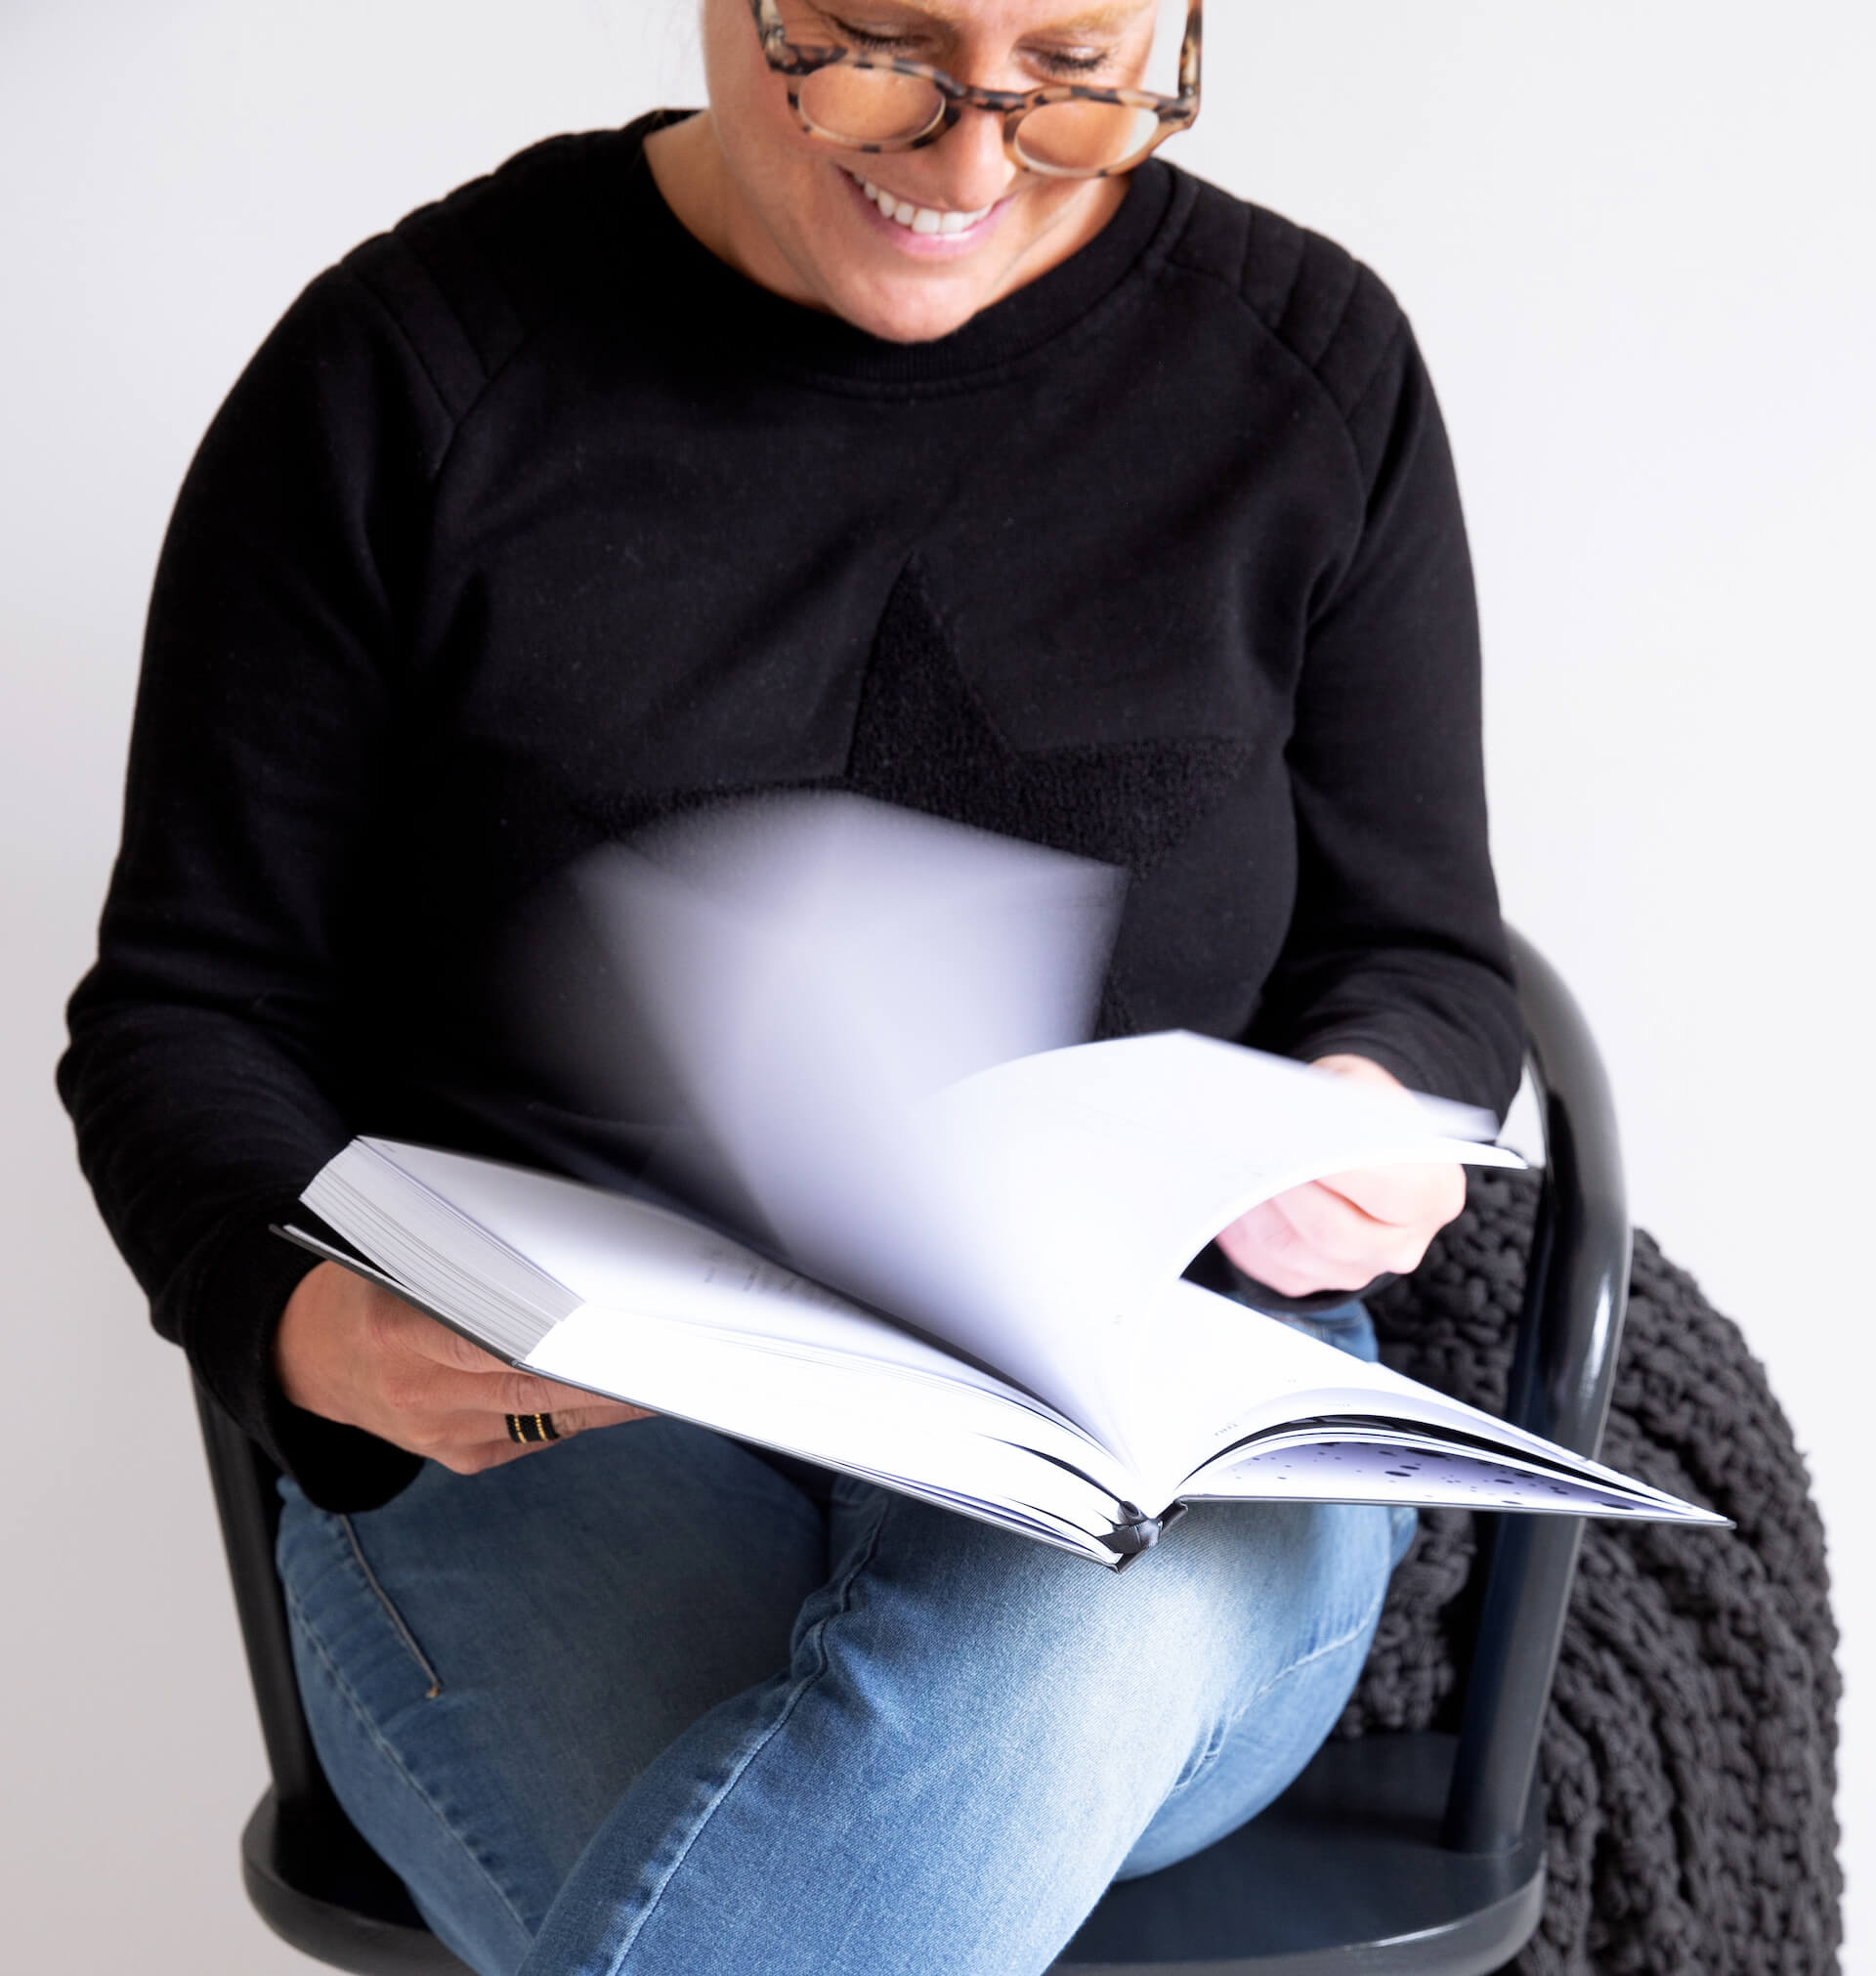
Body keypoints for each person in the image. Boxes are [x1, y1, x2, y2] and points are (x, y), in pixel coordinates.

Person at [60, 3, 1524, 1970]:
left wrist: (1373, 1107)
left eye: (1075, 73)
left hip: (1127, 1423)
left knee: (1025, 1680)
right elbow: (189, 1008)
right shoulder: (410, 374)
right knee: (834, 1860)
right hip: (558, 1409)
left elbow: (1420, 951)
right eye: (884, 55)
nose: (972, 161)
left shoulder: (1306, 368)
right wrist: (304, 1325)